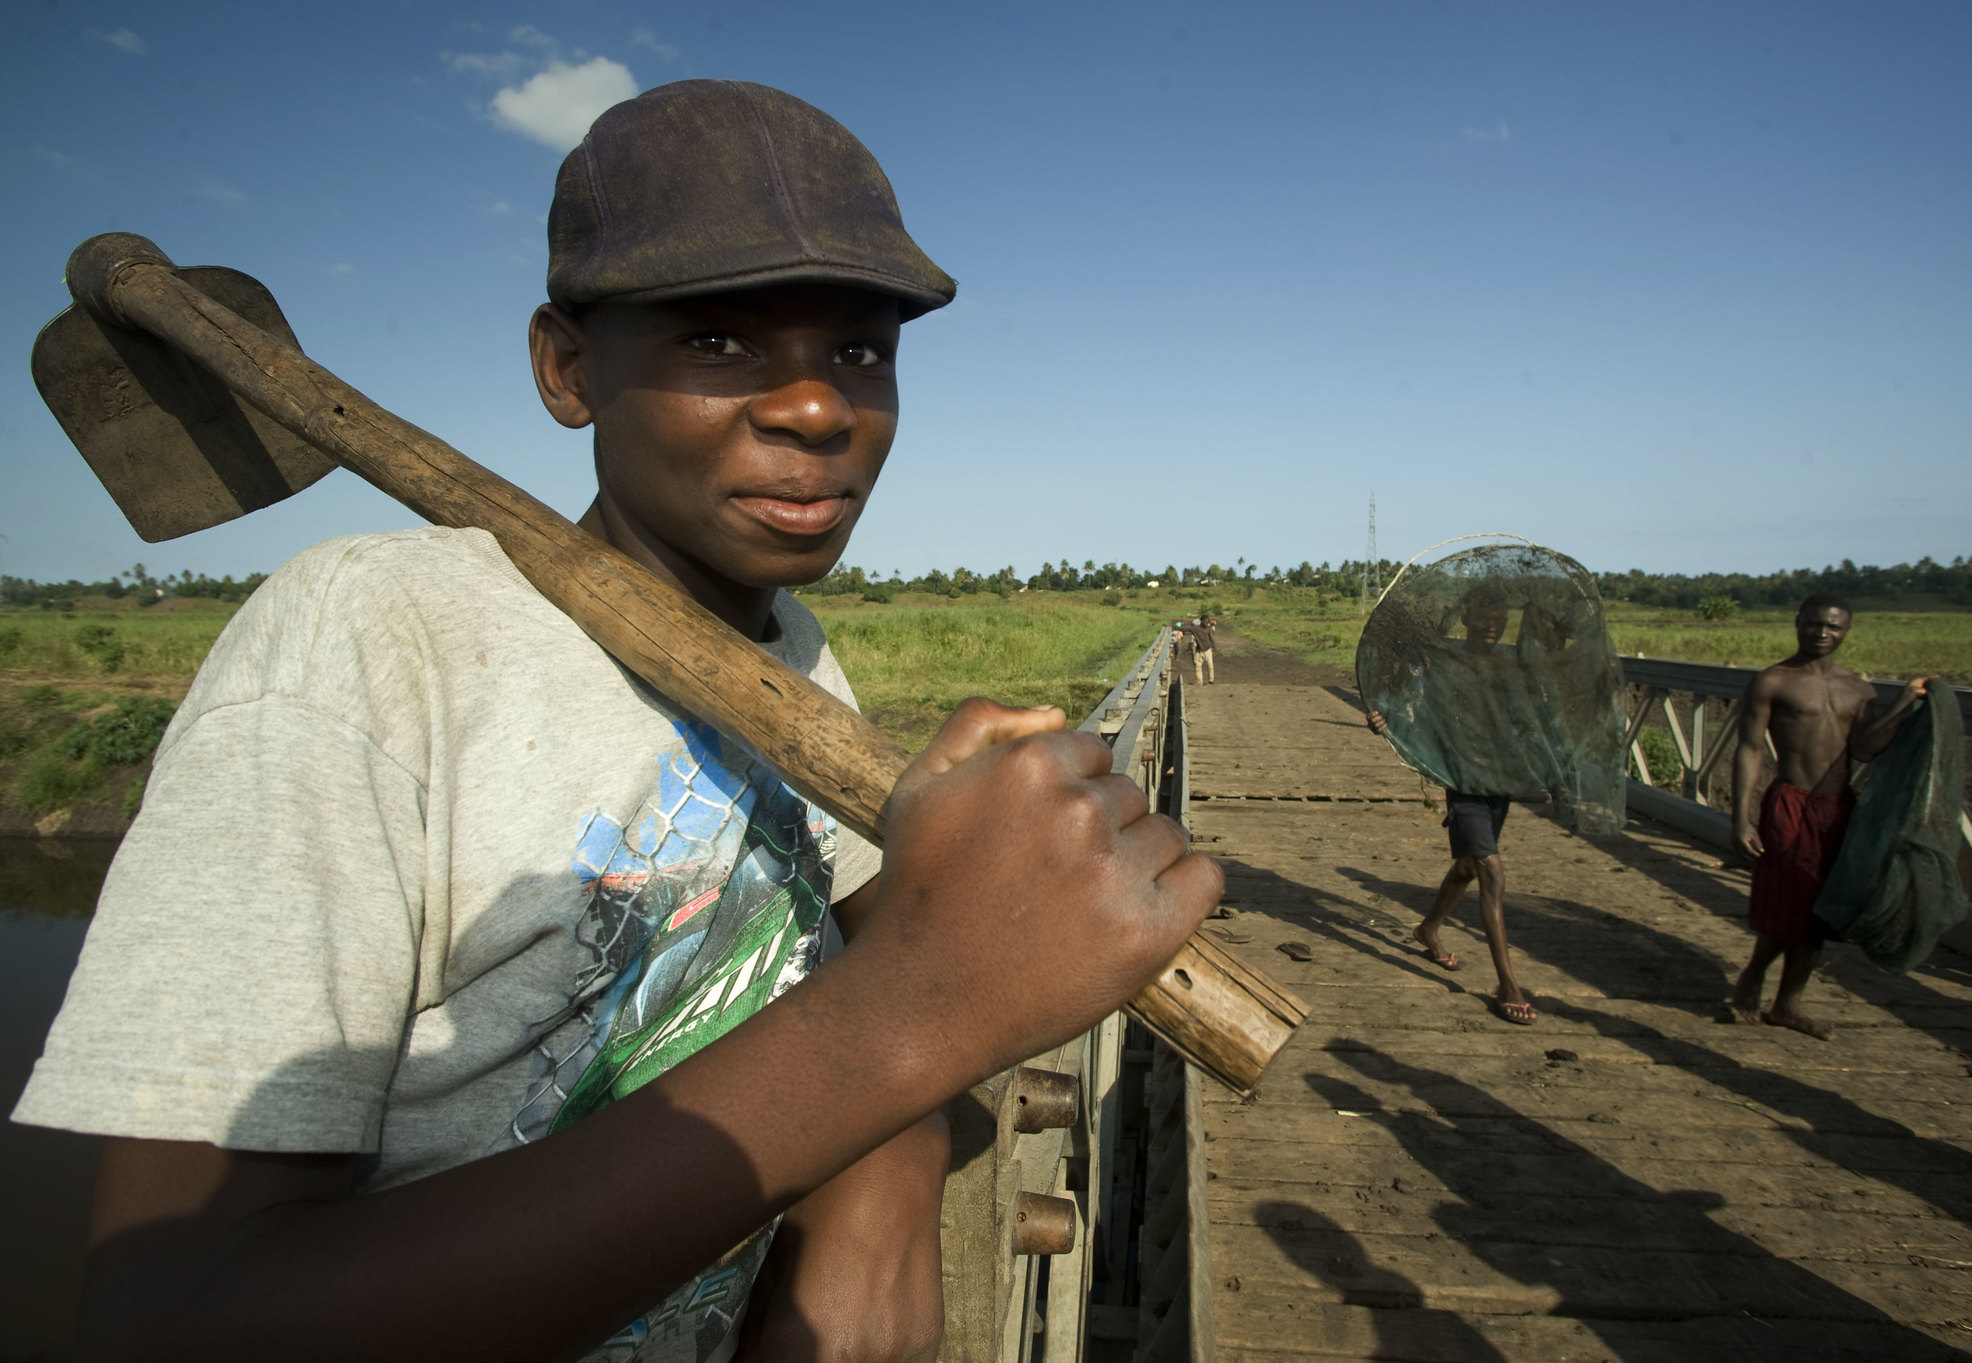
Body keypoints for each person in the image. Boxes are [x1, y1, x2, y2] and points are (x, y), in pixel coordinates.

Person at [11, 82, 1219, 1363]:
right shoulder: (370, 640)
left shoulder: (793, 658)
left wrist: (892, 1158)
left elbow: (887, 935)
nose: (817, 407)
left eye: (861, 350)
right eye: (716, 341)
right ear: (568, 366)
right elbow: (173, 1318)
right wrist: (903, 1034)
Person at [1729, 592, 1926, 1040]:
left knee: (1820, 909)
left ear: (1846, 630)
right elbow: (1750, 747)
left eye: (1832, 627)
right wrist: (1740, 817)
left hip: (1838, 808)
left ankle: (1787, 1004)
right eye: (1814, 624)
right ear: (1797, 623)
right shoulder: (1774, 681)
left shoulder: (1860, 690)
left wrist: (1904, 702)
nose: (1822, 633)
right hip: (1790, 802)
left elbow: (1865, 748)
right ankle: (1756, 973)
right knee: (1792, 899)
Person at [1364, 587, 1536, 1025]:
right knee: (1491, 870)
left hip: (1499, 780)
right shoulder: (1444, 663)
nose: (1492, 624)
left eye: (1499, 616)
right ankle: (1507, 984)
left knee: (1467, 866)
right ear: (1465, 618)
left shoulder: (1508, 664)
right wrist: (1385, 718)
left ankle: (1428, 929)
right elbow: (1405, 695)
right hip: (1462, 780)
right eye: (1483, 614)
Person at [1188, 614, 1218, 685]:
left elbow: (1211, 638)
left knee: (1210, 665)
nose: (1207, 623)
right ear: (1201, 621)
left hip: (1207, 649)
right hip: (1199, 650)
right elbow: (1186, 629)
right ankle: (1199, 681)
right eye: (1206, 622)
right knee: (1198, 667)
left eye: (1208, 622)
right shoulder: (1196, 629)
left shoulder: (1208, 629)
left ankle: (1211, 679)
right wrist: (1177, 628)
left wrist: (1214, 647)